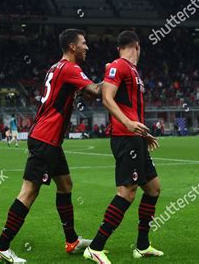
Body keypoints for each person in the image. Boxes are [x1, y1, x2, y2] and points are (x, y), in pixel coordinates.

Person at [0, 29, 102, 263]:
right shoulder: (71, 68)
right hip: (46, 138)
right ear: (72, 47)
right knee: (29, 192)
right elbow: (94, 91)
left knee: (65, 184)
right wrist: (115, 76)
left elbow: (85, 94)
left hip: (49, 138)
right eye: (84, 43)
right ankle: (1, 246)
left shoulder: (55, 68)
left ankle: (71, 240)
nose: (87, 47)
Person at [84, 31, 162, 263]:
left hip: (136, 137)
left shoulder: (134, 71)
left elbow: (130, 107)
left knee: (153, 188)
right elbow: (107, 98)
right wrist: (128, 123)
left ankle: (142, 245)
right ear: (137, 45)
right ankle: (95, 248)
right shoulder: (118, 66)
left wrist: (143, 133)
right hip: (124, 137)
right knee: (127, 193)